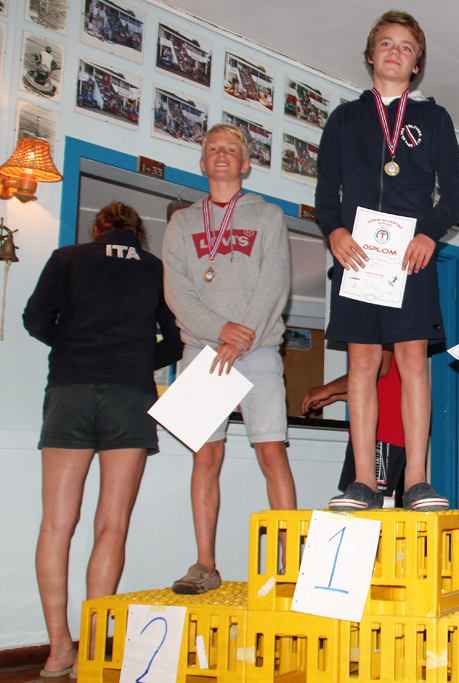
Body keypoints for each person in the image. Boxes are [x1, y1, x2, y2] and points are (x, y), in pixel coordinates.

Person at [314, 10, 459, 512]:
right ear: (370, 54)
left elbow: (454, 198)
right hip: (358, 257)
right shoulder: (344, 119)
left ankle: (417, 480)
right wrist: (335, 230)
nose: (394, 52)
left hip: (409, 260)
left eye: (405, 46)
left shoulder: (434, 120)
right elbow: (325, 194)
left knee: (412, 362)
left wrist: (427, 234)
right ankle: (363, 481)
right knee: (361, 362)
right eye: (385, 43)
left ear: (416, 63)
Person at [23, 202, 183, 677]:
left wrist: (72, 345)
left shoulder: (68, 258)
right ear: (139, 234)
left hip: (70, 389)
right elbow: (176, 339)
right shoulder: (156, 269)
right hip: (129, 395)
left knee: (56, 526)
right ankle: (91, 651)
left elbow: (35, 319)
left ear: (98, 229)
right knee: (111, 526)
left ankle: (58, 651)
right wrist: (135, 357)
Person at [162, 123, 294, 594]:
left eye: (231, 149)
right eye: (213, 148)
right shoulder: (181, 223)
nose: (221, 154)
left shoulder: (268, 215)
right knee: (206, 456)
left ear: (245, 164)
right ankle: (205, 565)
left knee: (272, 451)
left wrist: (241, 337)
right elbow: (177, 291)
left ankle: (290, 564)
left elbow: (274, 284)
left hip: (258, 348)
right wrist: (219, 331)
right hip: (202, 350)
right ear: (202, 163)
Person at [301, 346, 406, 508]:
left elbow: (380, 369)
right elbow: (371, 388)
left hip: (385, 430)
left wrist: (329, 389)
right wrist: (335, 395)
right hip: (366, 432)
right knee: (355, 498)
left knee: (370, 501)